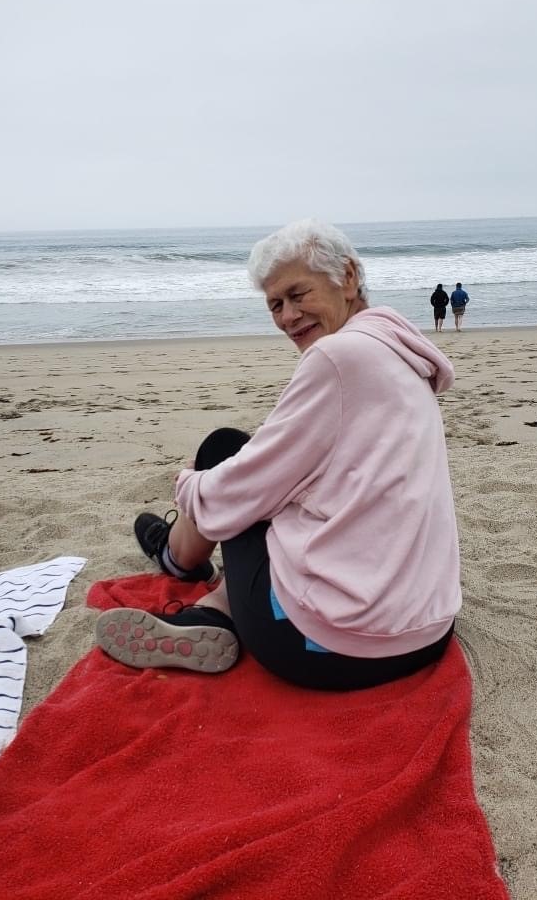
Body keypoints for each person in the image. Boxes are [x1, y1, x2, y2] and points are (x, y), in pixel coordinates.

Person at [96, 218, 462, 691]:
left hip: (332, 650)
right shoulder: (400, 350)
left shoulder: (337, 357)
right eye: (275, 304)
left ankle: (180, 561)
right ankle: (213, 606)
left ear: (347, 277)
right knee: (267, 482)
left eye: (298, 294)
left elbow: (242, 489)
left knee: (224, 450)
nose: (288, 316)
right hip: (425, 632)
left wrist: (188, 485)